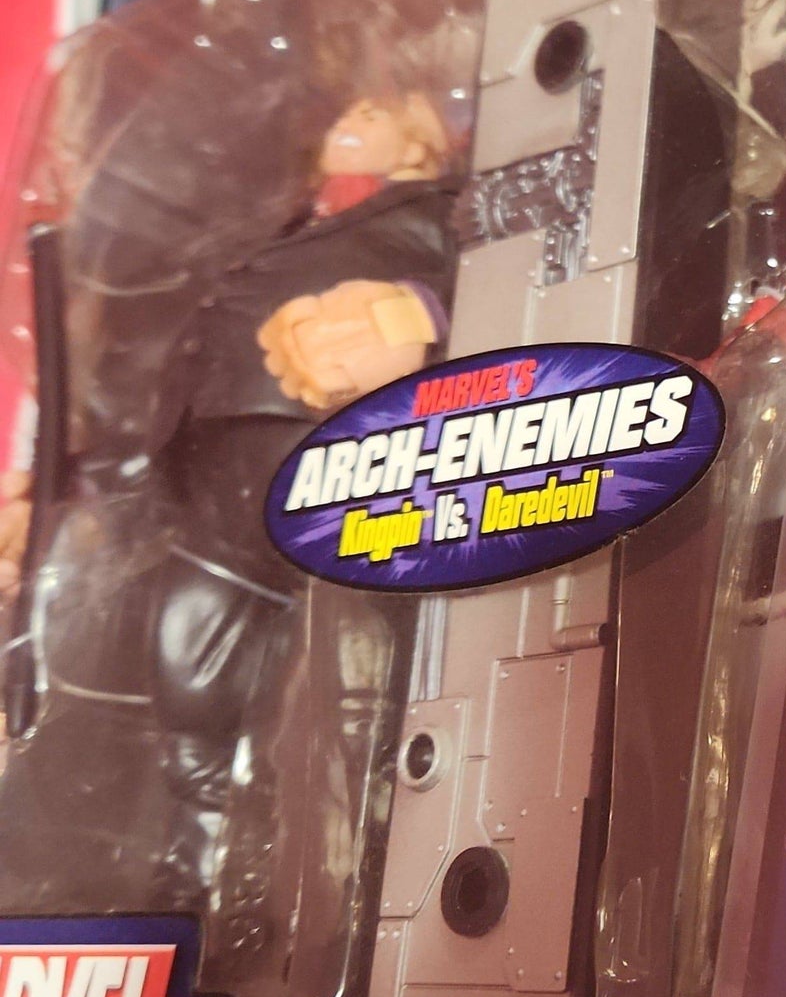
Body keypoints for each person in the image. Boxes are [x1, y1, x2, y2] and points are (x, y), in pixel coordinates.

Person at [0, 92, 458, 927]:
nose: (349, 117)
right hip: (208, 509)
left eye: (381, 107)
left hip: (343, 507)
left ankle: (340, 906)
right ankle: (196, 895)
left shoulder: (440, 213)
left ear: (425, 133)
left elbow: (511, 289)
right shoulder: (278, 221)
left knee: (349, 726)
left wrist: (417, 318)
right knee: (189, 701)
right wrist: (76, 497)